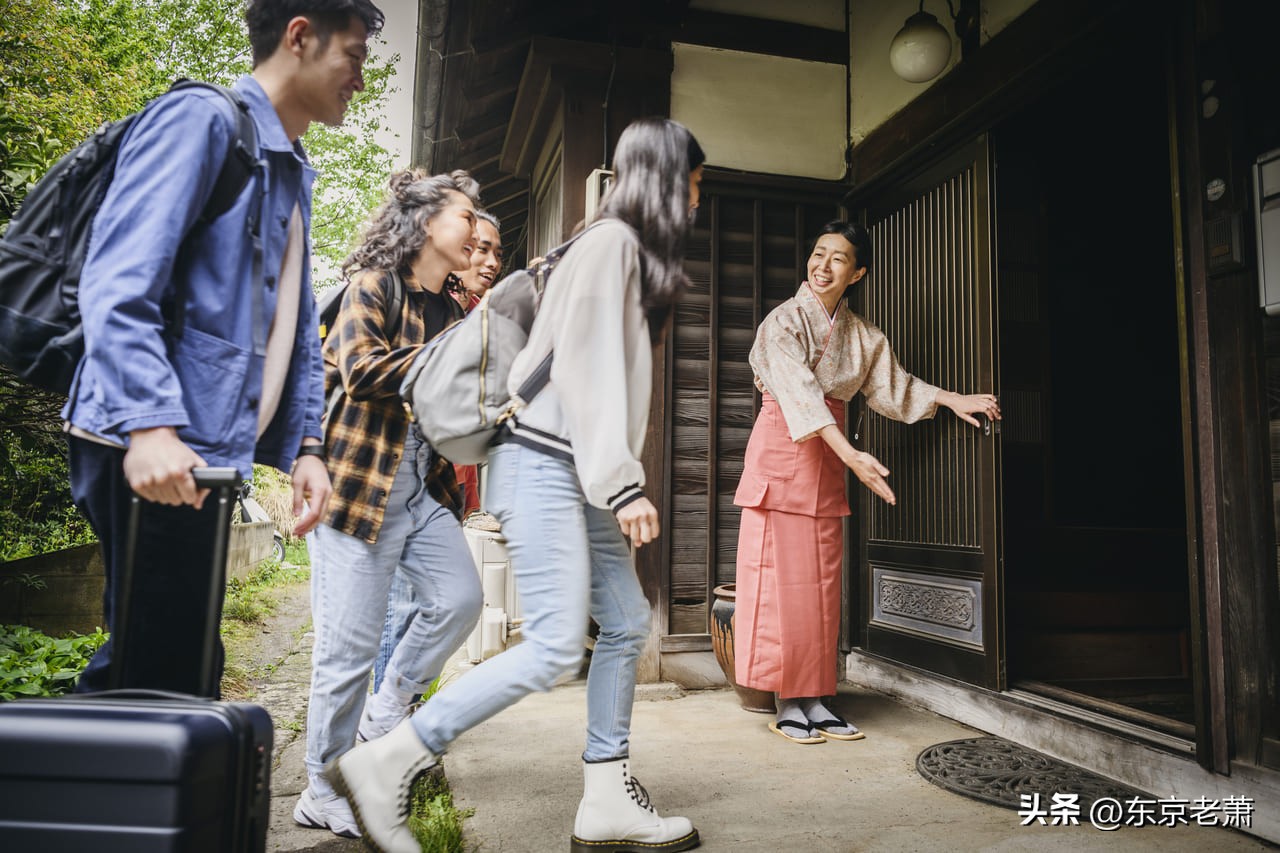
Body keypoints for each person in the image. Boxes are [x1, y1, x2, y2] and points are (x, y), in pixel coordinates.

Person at [328, 118, 707, 853]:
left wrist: (609, 479)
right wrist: (624, 483)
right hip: (544, 461)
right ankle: (390, 757)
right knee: (556, 646)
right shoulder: (612, 245)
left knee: (626, 620)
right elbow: (589, 370)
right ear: (665, 178)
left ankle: (604, 797)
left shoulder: (612, 249)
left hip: (570, 466)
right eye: (693, 180)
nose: (697, 196)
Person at [64, 0, 384, 697]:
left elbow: (297, 332)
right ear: (300, 36)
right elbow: (117, 282)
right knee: (155, 680)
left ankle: (126, 792)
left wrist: (307, 446)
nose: (360, 77)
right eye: (354, 57)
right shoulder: (202, 122)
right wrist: (149, 424)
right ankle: (80, 794)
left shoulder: (289, 167)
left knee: (175, 669)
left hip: (199, 455)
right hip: (147, 448)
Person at [732, 220, 1002, 744]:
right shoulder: (783, 321)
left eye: (838, 258)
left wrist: (952, 399)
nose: (822, 265)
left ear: (857, 274)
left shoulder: (861, 335)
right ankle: (789, 700)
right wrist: (853, 454)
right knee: (784, 584)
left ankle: (817, 695)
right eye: (818, 253)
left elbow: (894, 386)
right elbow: (801, 398)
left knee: (820, 585)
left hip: (831, 462)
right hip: (785, 452)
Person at [293, 168, 486, 839]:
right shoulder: (372, 285)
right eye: (465, 215)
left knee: (461, 597)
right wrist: (450, 355)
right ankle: (321, 787)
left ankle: (384, 714)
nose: (473, 227)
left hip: (420, 487)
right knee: (345, 651)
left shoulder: (454, 309)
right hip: (356, 486)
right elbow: (362, 371)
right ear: (427, 223)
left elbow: (455, 399)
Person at [371, 209, 504, 695]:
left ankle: (393, 718)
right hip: (398, 481)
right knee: (403, 605)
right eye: (478, 248)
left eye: (494, 252)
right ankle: (383, 729)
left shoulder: (466, 315)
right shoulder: (426, 310)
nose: (488, 261)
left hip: (447, 482)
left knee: (443, 602)